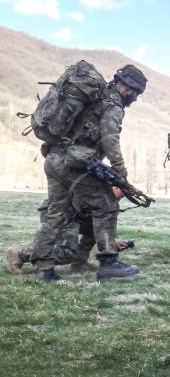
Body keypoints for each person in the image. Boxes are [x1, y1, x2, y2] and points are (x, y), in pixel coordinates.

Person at [30, 64, 147, 282]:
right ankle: (109, 261)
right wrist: (120, 172)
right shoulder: (113, 104)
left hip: (54, 157)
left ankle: (44, 268)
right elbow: (109, 138)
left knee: (56, 213)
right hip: (73, 164)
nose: (136, 99)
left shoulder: (96, 98)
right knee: (106, 205)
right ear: (129, 89)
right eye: (137, 94)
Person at [6, 200, 132, 275]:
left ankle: (80, 263)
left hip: (77, 214)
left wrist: (111, 242)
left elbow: (101, 225)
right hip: (61, 210)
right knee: (66, 252)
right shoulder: (100, 186)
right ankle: (20, 254)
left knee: (95, 229)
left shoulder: (108, 199)